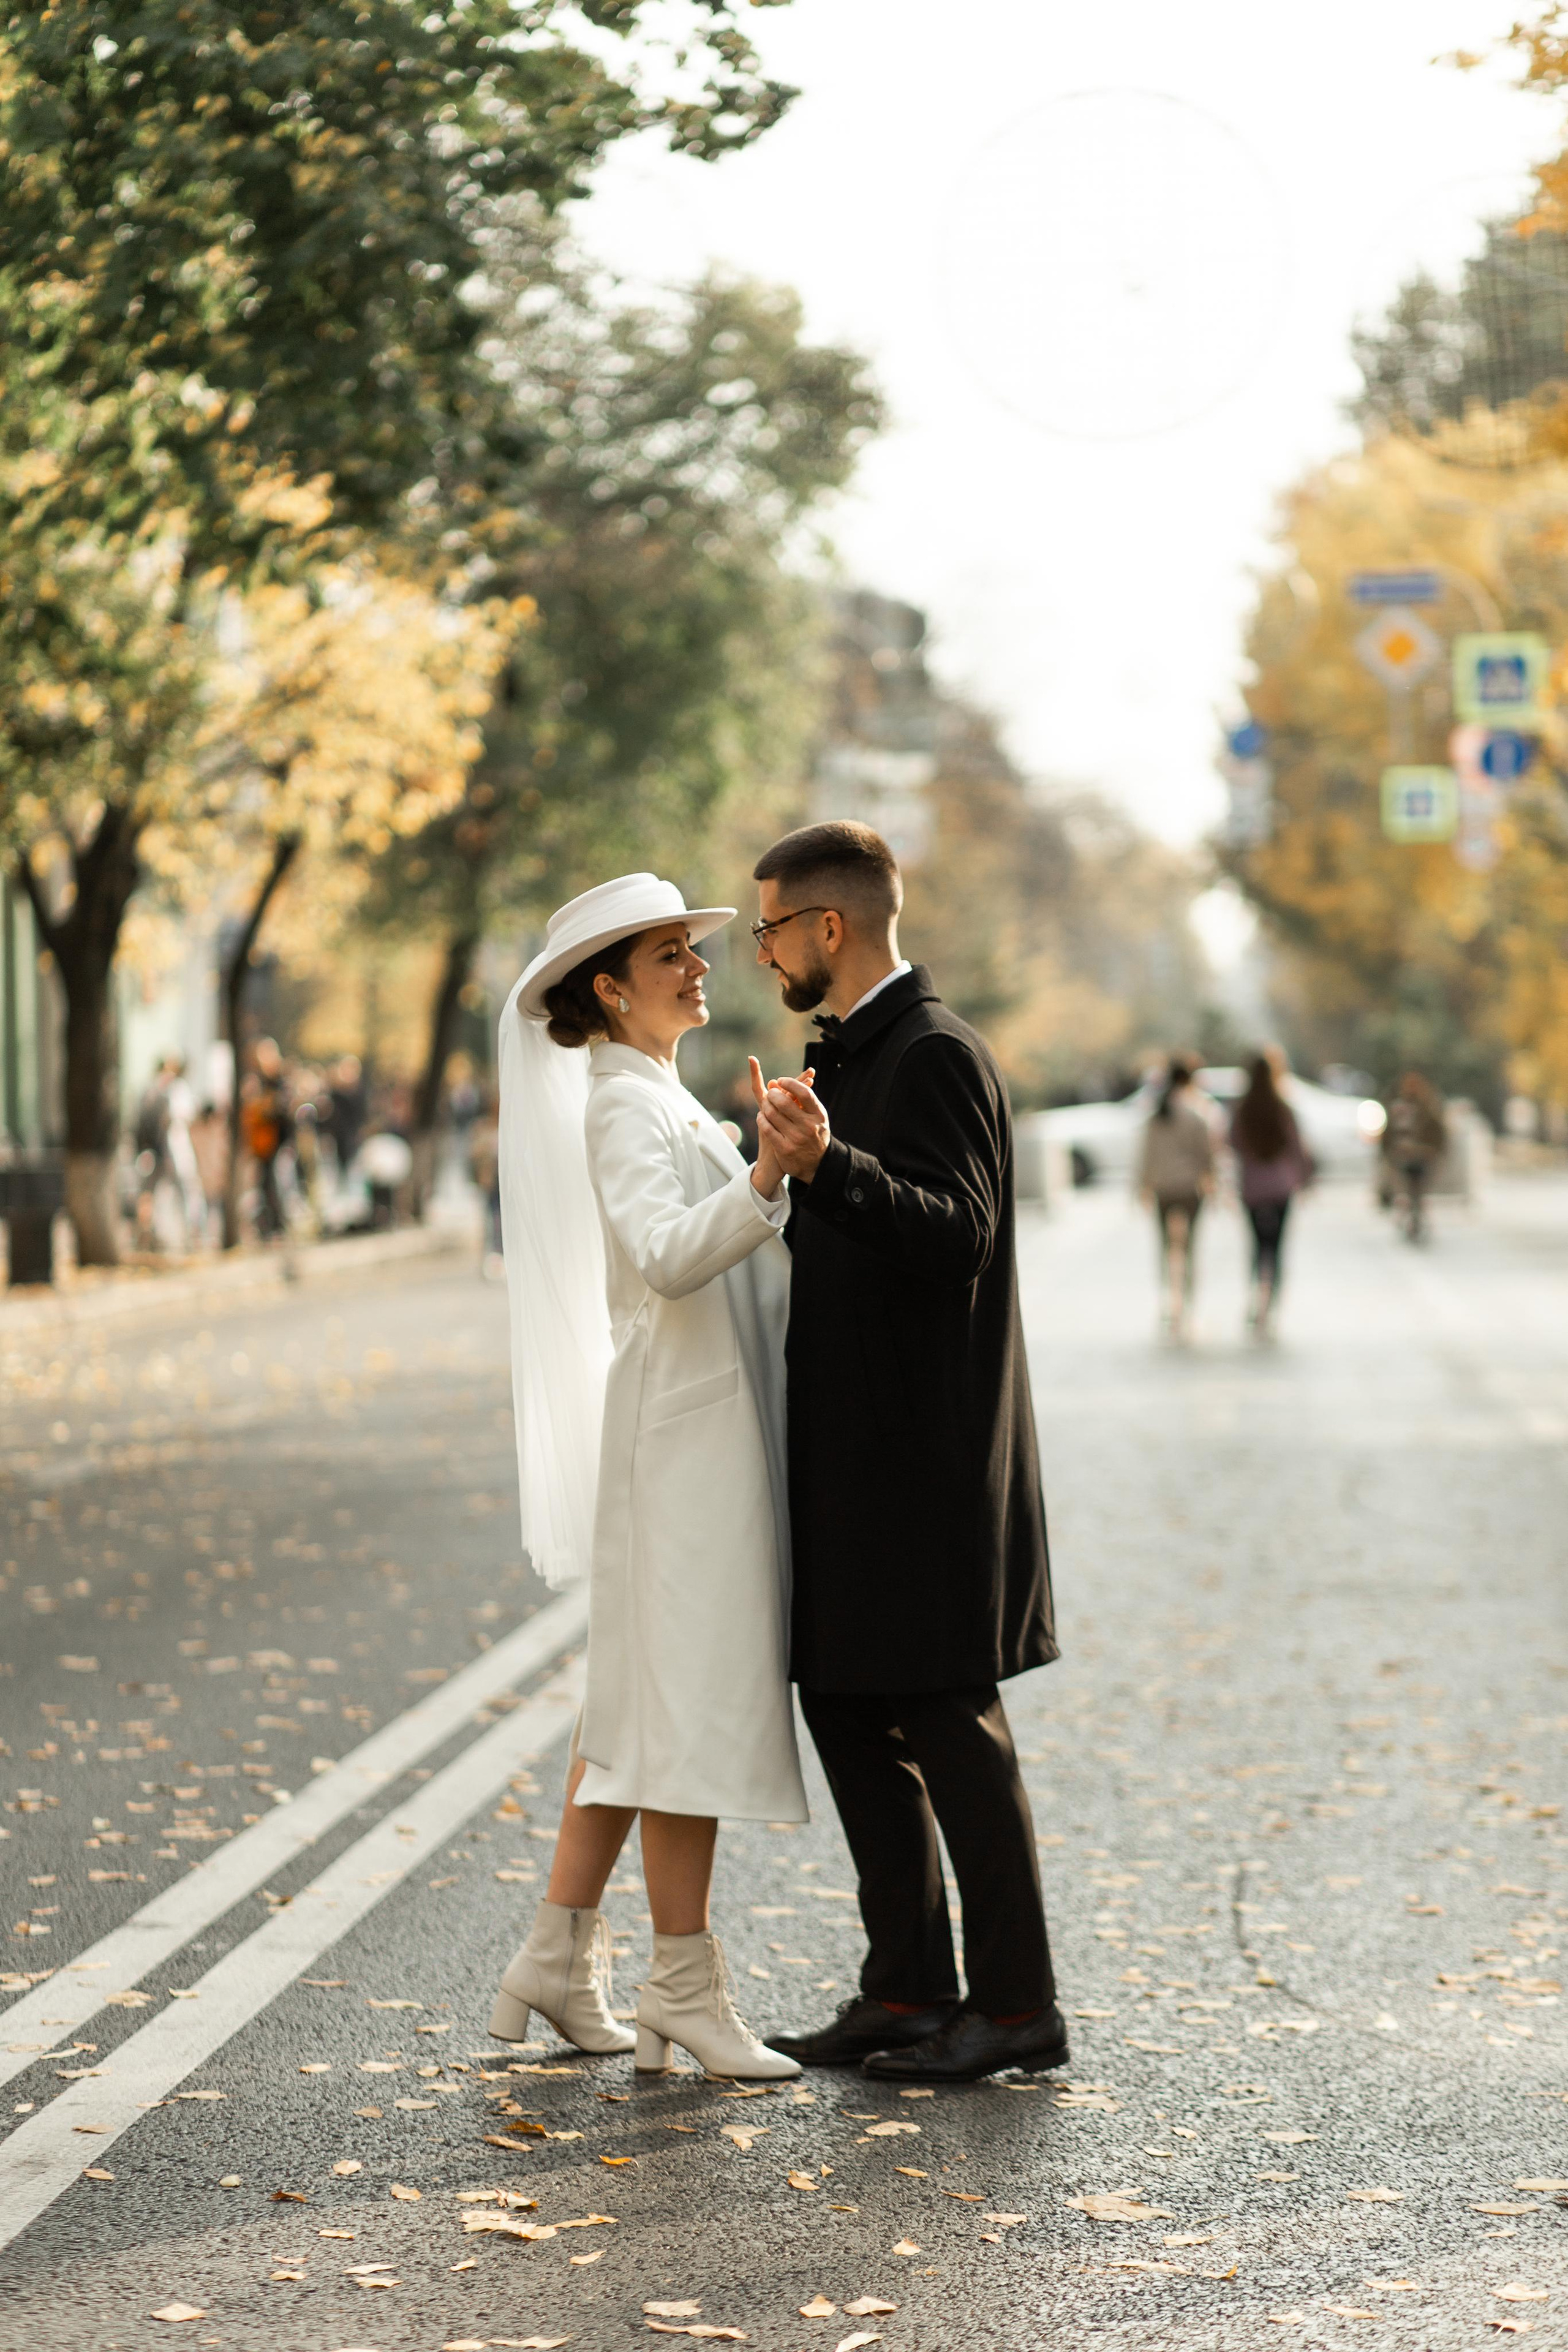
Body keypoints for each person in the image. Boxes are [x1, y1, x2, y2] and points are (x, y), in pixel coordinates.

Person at [747, 820, 1068, 2086]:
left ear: (828, 928)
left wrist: (832, 1166)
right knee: (841, 1703)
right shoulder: (851, 1054)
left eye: (771, 926)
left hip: (925, 1465)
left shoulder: (931, 1052)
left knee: (946, 1722)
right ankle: (905, 1989)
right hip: (851, 1456)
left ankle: (1014, 2005)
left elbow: (960, 1235)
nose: (764, 951)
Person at [488, 873, 808, 2082]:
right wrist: (766, 1177)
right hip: (675, 1439)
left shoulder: (659, 1095)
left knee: (633, 1707)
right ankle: (684, 1985)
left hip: (695, 1429)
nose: (697, 966)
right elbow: (669, 1258)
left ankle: (556, 1961)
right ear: (611, 990)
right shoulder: (623, 1107)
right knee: (677, 1709)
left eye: (692, 947)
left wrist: (768, 1169)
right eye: (667, 954)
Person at [1229, 1050, 1313, 1340]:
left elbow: (1233, 1145)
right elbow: (1297, 1147)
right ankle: (1271, 1304)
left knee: (1257, 1246)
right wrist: (1304, 1179)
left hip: (1252, 1187)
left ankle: (1255, 1298)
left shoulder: (1242, 1110)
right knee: (1276, 1248)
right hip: (1280, 1186)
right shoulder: (1282, 1108)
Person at [1136, 1054, 1215, 1343]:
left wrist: (1142, 1187)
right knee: (1191, 1249)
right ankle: (1189, 1307)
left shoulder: (1156, 1113)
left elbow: (1146, 1155)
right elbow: (1207, 1156)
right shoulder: (1198, 1113)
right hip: (1190, 1189)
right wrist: (1213, 1186)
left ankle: (1169, 1303)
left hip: (1163, 1188)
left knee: (1166, 1249)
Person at [1381, 1071, 1447, 1243]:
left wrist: (1428, 1151)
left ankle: (1416, 1216)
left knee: (1418, 1191)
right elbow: (1388, 1137)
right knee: (1405, 1189)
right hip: (1402, 1159)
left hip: (1423, 1158)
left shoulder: (1429, 1109)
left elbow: (1439, 1136)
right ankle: (1407, 1213)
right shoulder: (1397, 1108)